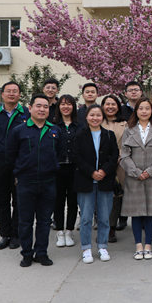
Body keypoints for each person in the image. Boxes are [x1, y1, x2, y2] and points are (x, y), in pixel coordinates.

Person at [6, 94, 65, 267]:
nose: (42, 109)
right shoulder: (19, 130)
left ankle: (41, 253)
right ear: (30, 108)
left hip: (48, 183)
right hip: (26, 183)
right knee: (25, 221)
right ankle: (26, 253)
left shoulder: (55, 130)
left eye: (45, 106)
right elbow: (10, 156)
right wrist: (18, 174)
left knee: (44, 221)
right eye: (38, 106)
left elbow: (60, 154)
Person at [119, 98, 152, 260]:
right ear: (136, 111)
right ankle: (138, 245)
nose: (144, 111)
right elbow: (124, 155)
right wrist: (136, 171)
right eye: (141, 108)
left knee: (151, 213)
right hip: (134, 178)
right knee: (136, 213)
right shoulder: (129, 130)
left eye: (147, 108)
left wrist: (150, 171)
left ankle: (148, 245)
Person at [72, 105, 119, 264]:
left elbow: (114, 156)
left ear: (102, 117)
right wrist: (92, 172)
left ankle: (102, 246)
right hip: (86, 181)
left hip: (105, 181)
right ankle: (86, 248)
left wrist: (103, 171)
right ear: (86, 117)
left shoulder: (109, 135)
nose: (95, 118)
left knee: (104, 217)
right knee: (86, 218)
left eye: (98, 115)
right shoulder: (80, 135)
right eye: (92, 115)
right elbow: (77, 157)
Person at [0, 81, 29, 251]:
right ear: (2, 95)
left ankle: (17, 234)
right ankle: (5, 234)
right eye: (8, 91)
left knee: (19, 200)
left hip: (20, 164)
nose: (11, 94)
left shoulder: (26, 113)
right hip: (0, 163)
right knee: (2, 199)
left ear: (19, 95)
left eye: (15, 91)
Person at [54, 94, 81, 249]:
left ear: (73, 107)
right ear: (59, 107)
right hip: (57, 169)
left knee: (72, 201)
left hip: (74, 169)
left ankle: (69, 231)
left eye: (69, 104)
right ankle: (59, 231)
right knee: (58, 201)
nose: (66, 107)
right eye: (63, 104)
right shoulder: (52, 126)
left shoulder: (79, 126)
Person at [101, 94, 128, 243]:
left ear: (118, 107)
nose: (110, 107)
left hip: (120, 165)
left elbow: (128, 144)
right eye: (107, 104)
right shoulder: (97, 121)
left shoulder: (125, 124)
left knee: (116, 197)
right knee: (102, 197)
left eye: (113, 104)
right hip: (101, 166)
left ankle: (111, 228)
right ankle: (102, 225)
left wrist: (119, 156)